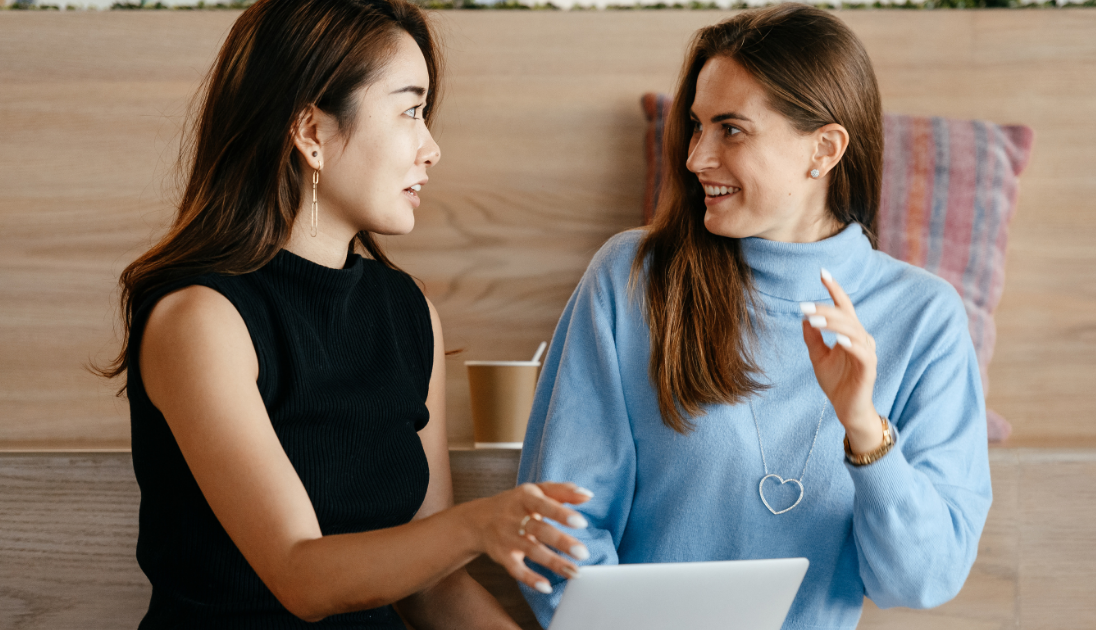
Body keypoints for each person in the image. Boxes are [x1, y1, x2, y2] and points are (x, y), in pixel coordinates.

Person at [99, 0, 590, 627]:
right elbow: (301, 577)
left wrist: (470, 535)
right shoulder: (201, 320)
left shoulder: (408, 312)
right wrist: (478, 524)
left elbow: (432, 590)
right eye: (411, 110)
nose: (432, 147)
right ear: (311, 133)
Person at [517, 5, 992, 628]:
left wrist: (864, 429)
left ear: (824, 149)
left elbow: (921, 580)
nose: (696, 158)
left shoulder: (924, 318)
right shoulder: (631, 278)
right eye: (696, 126)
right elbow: (559, 531)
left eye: (731, 130)